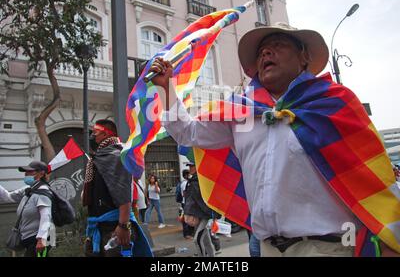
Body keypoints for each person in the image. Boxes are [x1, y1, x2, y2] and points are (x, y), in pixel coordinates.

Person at [149, 22, 400, 257]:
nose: (266, 53)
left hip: (329, 247)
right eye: (261, 52)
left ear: (304, 58)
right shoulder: (240, 112)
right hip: (267, 248)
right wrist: (167, 86)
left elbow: (374, 178)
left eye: (278, 44)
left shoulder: (334, 102)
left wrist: (392, 239)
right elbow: (186, 132)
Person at [82, 119, 152, 257]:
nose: (92, 136)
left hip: (114, 228)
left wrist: (123, 226)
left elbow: (123, 192)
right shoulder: (99, 158)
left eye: (95, 132)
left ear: (105, 134)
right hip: (101, 227)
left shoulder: (115, 156)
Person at [0, 161, 55, 257]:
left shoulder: (43, 192)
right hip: (30, 240)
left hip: (40, 240)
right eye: (25, 172)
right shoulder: (29, 189)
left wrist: (41, 239)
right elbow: (7, 197)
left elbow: (46, 217)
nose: (26, 174)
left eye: (30, 172)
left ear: (41, 173)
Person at [183, 163, 221, 257]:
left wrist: (212, 215)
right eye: (189, 166)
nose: (190, 168)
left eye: (192, 166)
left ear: (197, 166)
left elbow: (201, 200)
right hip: (200, 214)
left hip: (204, 215)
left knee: (197, 240)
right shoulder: (194, 181)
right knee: (206, 241)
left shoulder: (196, 182)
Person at [179, 167, 195, 239]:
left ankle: (191, 233)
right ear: (185, 175)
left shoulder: (187, 182)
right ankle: (186, 234)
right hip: (186, 203)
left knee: (190, 217)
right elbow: (184, 194)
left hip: (188, 202)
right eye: (188, 174)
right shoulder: (184, 183)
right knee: (186, 219)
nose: (190, 176)